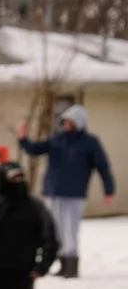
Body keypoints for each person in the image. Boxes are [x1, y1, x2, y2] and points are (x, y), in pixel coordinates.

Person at [17, 104, 114, 278]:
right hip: (53, 191)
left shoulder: (90, 143)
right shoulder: (57, 140)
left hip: (74, 194)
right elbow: (35, 149)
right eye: (65, 121)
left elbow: (103, 167)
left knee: (70, 229)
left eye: (70, 121)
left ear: (79, 123)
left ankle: (71, 265)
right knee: (56, 229)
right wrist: (23, 139)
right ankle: (61, 263)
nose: (67, 124)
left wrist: (109, 189)